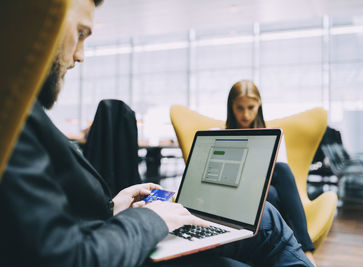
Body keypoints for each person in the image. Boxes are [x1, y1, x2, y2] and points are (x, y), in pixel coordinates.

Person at [0, 1, 313, 266]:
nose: (80, 55)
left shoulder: (22, 114)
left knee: (263, 216)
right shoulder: (12, 122)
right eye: (80, 33)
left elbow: (47, 223)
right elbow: (67, 256)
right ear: (36, 23)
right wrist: (155, 219)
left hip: (113, 229)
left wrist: (112, 207)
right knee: (268, 221)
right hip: (119, 248)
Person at [226, 80, 317, 266]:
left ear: (259, 105)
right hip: (237, 193)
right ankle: (301, 250)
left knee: (278, 178)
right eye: (239, 108)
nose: (245, 114)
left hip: (264, 193)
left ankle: (305, 248)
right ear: (231, 107)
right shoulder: (219, 134)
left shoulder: (272, 135)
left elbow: (284, 178)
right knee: (273, 192)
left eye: (251, 107)